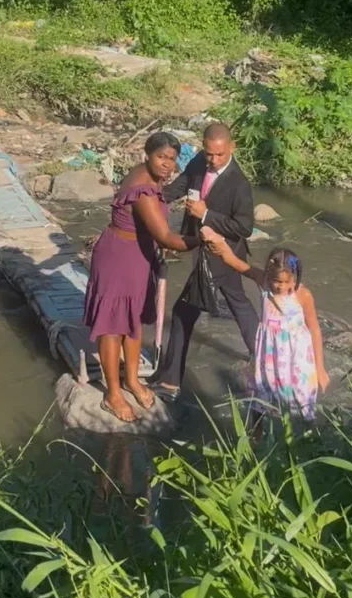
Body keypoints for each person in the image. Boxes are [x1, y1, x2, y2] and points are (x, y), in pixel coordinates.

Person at [83, 132, 197, 423]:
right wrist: (202, 240)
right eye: (161, 157)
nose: (167, 165)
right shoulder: (143, 190)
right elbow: (166, 237)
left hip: (136, 256)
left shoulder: (148, 174)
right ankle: (112, 393)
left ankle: (132, 380)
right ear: (147, 154)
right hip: (119, 257)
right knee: (112, 326)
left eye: (172, 159)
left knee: (132, 319)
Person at [154, 121, 259, 399]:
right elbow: (183, 184)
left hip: (220, 254)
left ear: (231, 148)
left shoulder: (239, 185)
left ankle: (170, 382)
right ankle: (264, 354)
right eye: (209, 153)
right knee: (238, 301)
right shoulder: (200, 161)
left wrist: (205, 214)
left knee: (182, 313)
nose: (213, 160)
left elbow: (244, 227)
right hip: (204, 248)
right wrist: (153, 197)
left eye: (219, 155)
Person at [202, 235, 329, 420]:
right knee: (260, 389)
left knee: (302, 395)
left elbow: (315, 330)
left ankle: (311, 434)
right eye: (277, 281)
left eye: (287, 281)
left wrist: (320, 368)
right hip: (269, 353)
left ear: (295, 277)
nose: (281, 287)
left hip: (296, 356)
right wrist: (220, 247)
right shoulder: (263, 282)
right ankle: (256, 435)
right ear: (268, 275)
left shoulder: (303, 295)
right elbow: (236, 263)